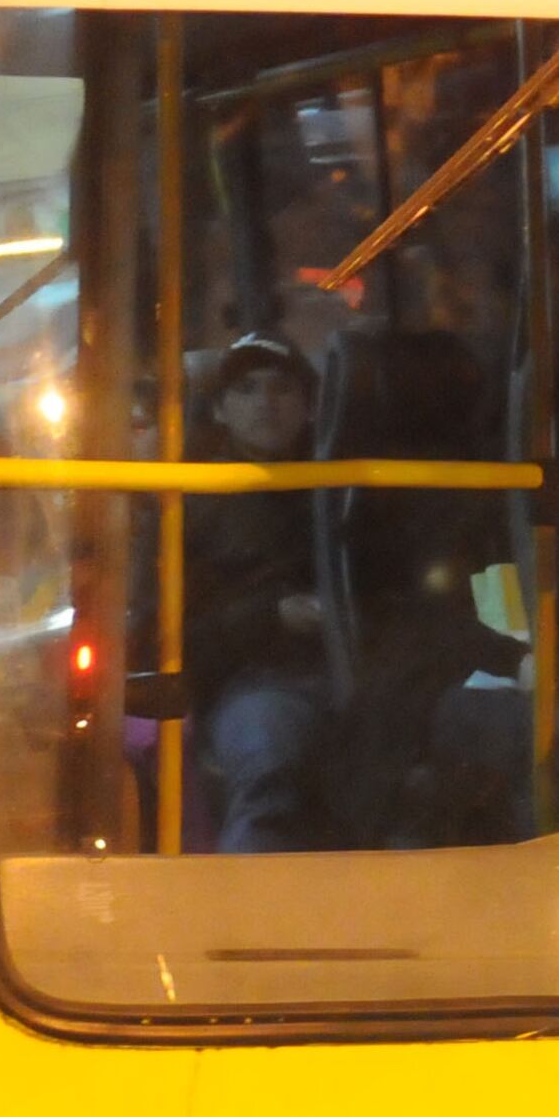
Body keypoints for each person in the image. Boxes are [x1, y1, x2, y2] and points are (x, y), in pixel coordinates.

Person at [178, 337, 335, 850]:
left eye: (282, 389)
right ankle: (247, 918)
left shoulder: (343, 484)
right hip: (246, 684)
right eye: (246, 390)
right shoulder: (189, 499)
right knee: (272, 763)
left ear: (309, 405)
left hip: (356, 671)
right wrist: (271, 618)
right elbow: (164, 637)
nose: (266, 402)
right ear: (220, 410)